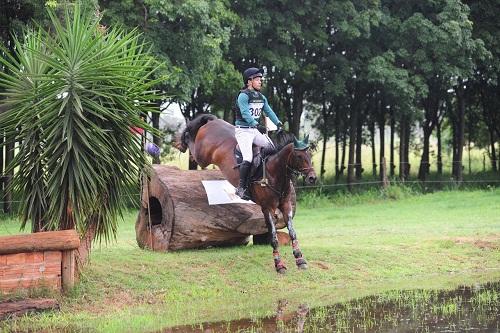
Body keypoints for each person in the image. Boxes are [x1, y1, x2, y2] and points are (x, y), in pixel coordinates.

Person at [234, 67, 282, 200]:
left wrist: (278, 123)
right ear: (249, 81)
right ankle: (241, 188)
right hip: (243, 130)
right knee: (248, 157)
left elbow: (269, 111)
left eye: (261, 79)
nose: (260, 81)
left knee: (272, 149)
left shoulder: (261, 97)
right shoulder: (243, 95)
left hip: (255, 130)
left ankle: (265, 178)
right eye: (258, 79)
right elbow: (245, 113)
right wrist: (256, 124)